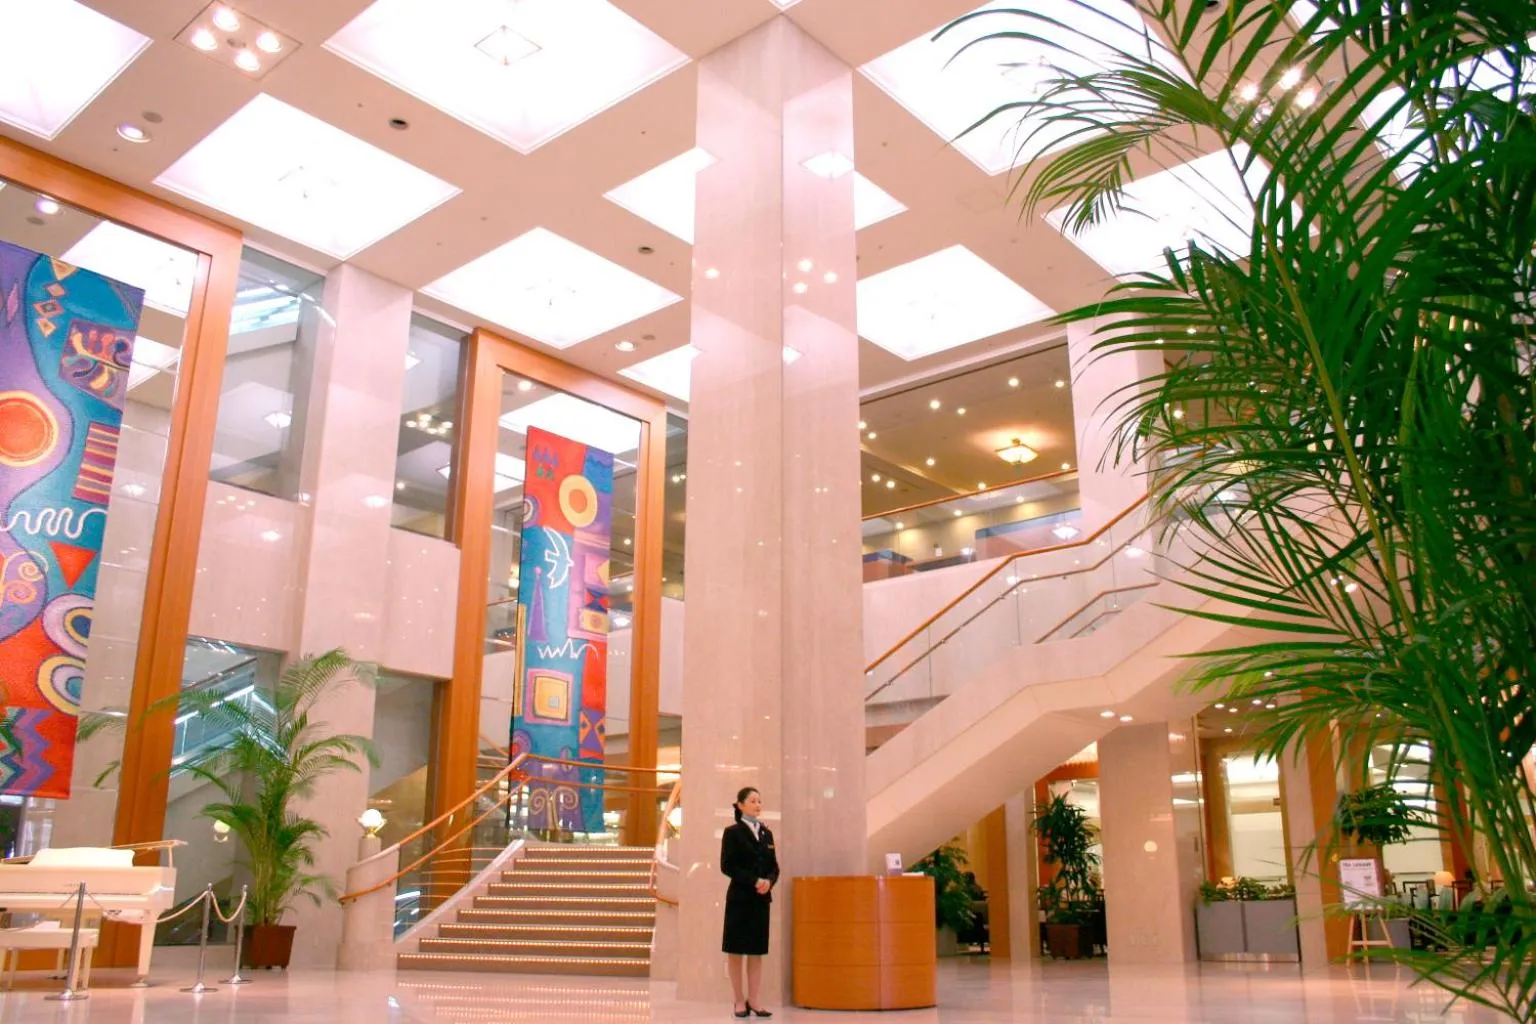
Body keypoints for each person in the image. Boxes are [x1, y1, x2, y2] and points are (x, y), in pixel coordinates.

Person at [721, 786, 779, 1019]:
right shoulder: (732, 832)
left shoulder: (767, 833)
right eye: (753, 801)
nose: (758, 805)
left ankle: (754, 999)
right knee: (736, 950)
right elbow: (727, 866)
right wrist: (754, 880)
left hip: (761, 900)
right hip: (739, 899)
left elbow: (774, 867)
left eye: (760, 801)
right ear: (741, 805)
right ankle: (738, 999)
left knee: (756, 951)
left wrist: (769, 882)